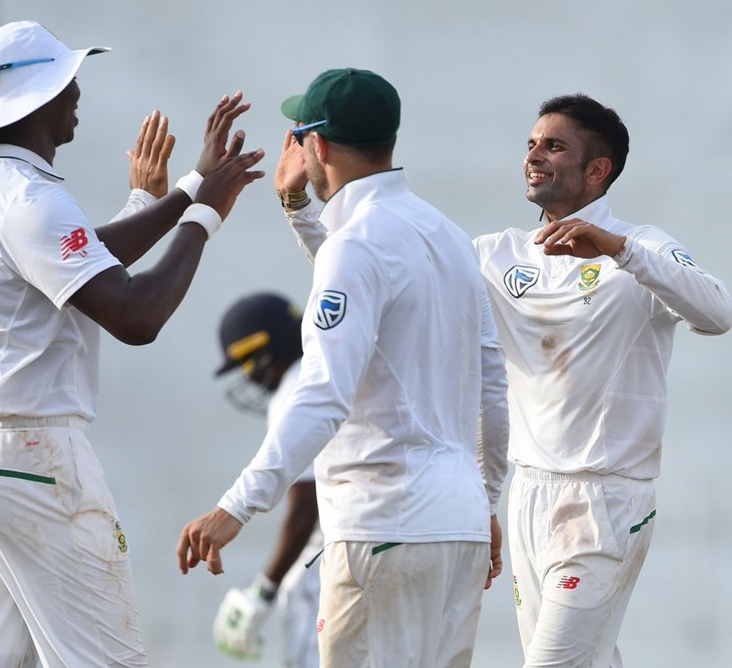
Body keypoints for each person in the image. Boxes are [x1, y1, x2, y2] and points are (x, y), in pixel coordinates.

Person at [0, 20, 265, 667]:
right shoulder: (31, 198)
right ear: (39, 100)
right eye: (66, 81)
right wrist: (204, 215)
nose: (77, 93)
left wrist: (189, 186)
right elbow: (137, 315)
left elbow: (81, 258)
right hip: (32, 465)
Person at [178, 68, 509, 668]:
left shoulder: (356, 245)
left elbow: (324, 393)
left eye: (299, 137)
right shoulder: (451, 238)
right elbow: (491, 384)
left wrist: (237, 505)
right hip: (457, 524)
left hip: (383, 524)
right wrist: (484, 502)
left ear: (319, 145)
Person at [471, 94, 732, 666]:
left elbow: (717, 313)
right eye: (531, 144)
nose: (533, 156)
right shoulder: (496, 254)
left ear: (597, 170)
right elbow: (392, 281)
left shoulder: (641, 248)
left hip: (607, 501)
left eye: (553, 146)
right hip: (529, 494)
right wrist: (302, 210)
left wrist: (619, 251)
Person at [212, 292, 322, 667]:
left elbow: (306, 508)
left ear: (266, 350)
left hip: (332, 561)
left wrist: (265, 589)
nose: (249, 376)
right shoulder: (328, 370)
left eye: (246, 364)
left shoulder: (293, 391)